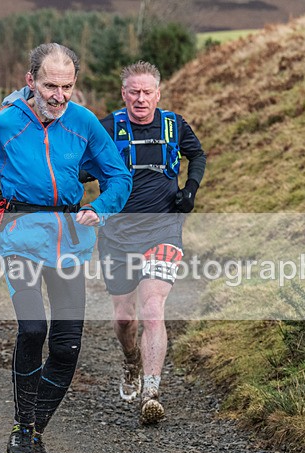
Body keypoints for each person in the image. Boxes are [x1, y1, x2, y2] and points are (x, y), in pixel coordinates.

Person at [0, 43, 132, 453]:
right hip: (19, 241)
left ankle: (30, 430)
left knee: (67, 349)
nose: (59, 96)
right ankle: (22, 427)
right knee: (33, 329)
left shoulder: (83, 122)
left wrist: (100, 209)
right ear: (30, 81)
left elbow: (118, 176)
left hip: (69, 244)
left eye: (67, 86)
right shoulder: (5, 125)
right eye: (51, 85)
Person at [82, 61, 206, 425]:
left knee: (153, 309)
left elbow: (196, 155)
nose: (140, 98)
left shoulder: (174, 125)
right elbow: (83, 166)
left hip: (163, 230)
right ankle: (131, 360)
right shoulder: (107, 127)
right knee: (124, 318)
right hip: (117, 235)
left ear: (158, 94)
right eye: (133, 92)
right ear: (124, 94)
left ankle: (151, 393)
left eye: (147, 92)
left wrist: (190, 191)